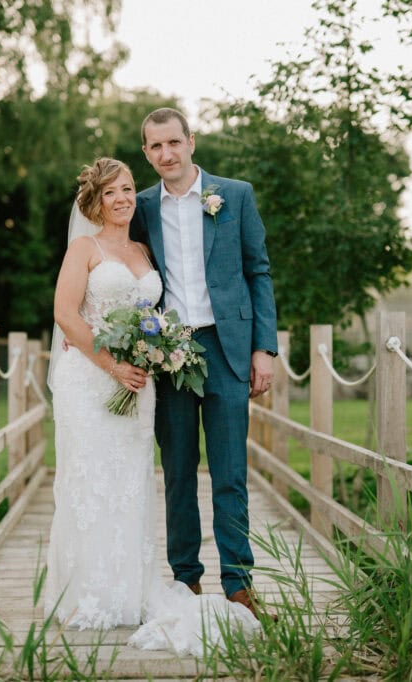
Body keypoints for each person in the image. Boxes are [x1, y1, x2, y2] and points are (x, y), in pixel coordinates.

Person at [44, 157, 260, 653]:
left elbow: (160, 310)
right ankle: (89, 592)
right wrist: (113, 365)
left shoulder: (144, 247)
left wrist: (150, 353)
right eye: (109, 193)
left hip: (142, 383)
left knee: (132, 482)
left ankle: (132, 589)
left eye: (125, 190)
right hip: (96, 380)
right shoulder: (84, 247)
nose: (121, 199)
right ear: (93, 203)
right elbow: (64, 313)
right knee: (91, 480)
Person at [130, 108, 279, 618]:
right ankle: (185, 583)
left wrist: (265, 347)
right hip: (168, 351)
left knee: (230, 471)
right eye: (155, 147)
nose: (166, 154)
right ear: (146, 153)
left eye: (173, 142)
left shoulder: (234, 195)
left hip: (228, 347)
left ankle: (239, 584)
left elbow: (258, 271)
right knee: (177, 472)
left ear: (191, 142)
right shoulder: (141, 207)